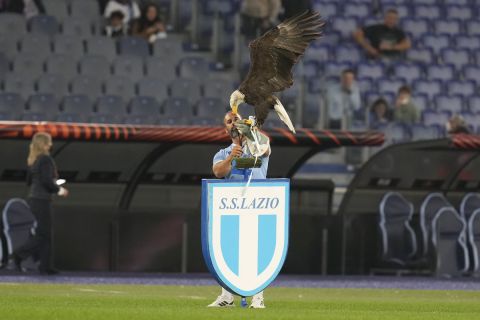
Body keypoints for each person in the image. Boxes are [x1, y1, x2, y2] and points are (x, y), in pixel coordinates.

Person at [208, 111, 270, 309]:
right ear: (225, 128)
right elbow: (218, 172)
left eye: (236, 119)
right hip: (232, 207)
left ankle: (258, 297)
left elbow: (266, 148)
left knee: (257, 252)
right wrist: (232, 157)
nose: (233, 122)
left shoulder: (257, 145)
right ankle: (227, 297)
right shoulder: (223, 153)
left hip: (257, 204)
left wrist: (252, 131)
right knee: (228, 251)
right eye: (229, 121)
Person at [10, 132, 68, 275]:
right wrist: (59, 189)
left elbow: (29, 182)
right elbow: (47, 181)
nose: (51, 144)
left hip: (34, 199)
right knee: (44, 234)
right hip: (42, 200)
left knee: (43, 234)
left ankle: (45, 266)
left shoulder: (33, 160)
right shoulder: (46, 159)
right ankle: (19, 254)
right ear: (45, 144)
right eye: (49, 142)